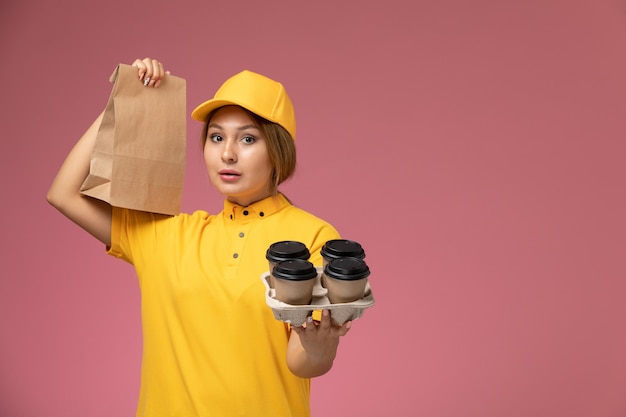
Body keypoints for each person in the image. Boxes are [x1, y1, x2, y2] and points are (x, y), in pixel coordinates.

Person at [47, 57, 352, 417]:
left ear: (278, 150)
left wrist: (319, 347)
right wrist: (125, 99)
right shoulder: (166, 234)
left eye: (248, 138)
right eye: (216, 136)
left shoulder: (313, 236)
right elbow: (64, 193)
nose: (227, 153)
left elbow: (303, 363)